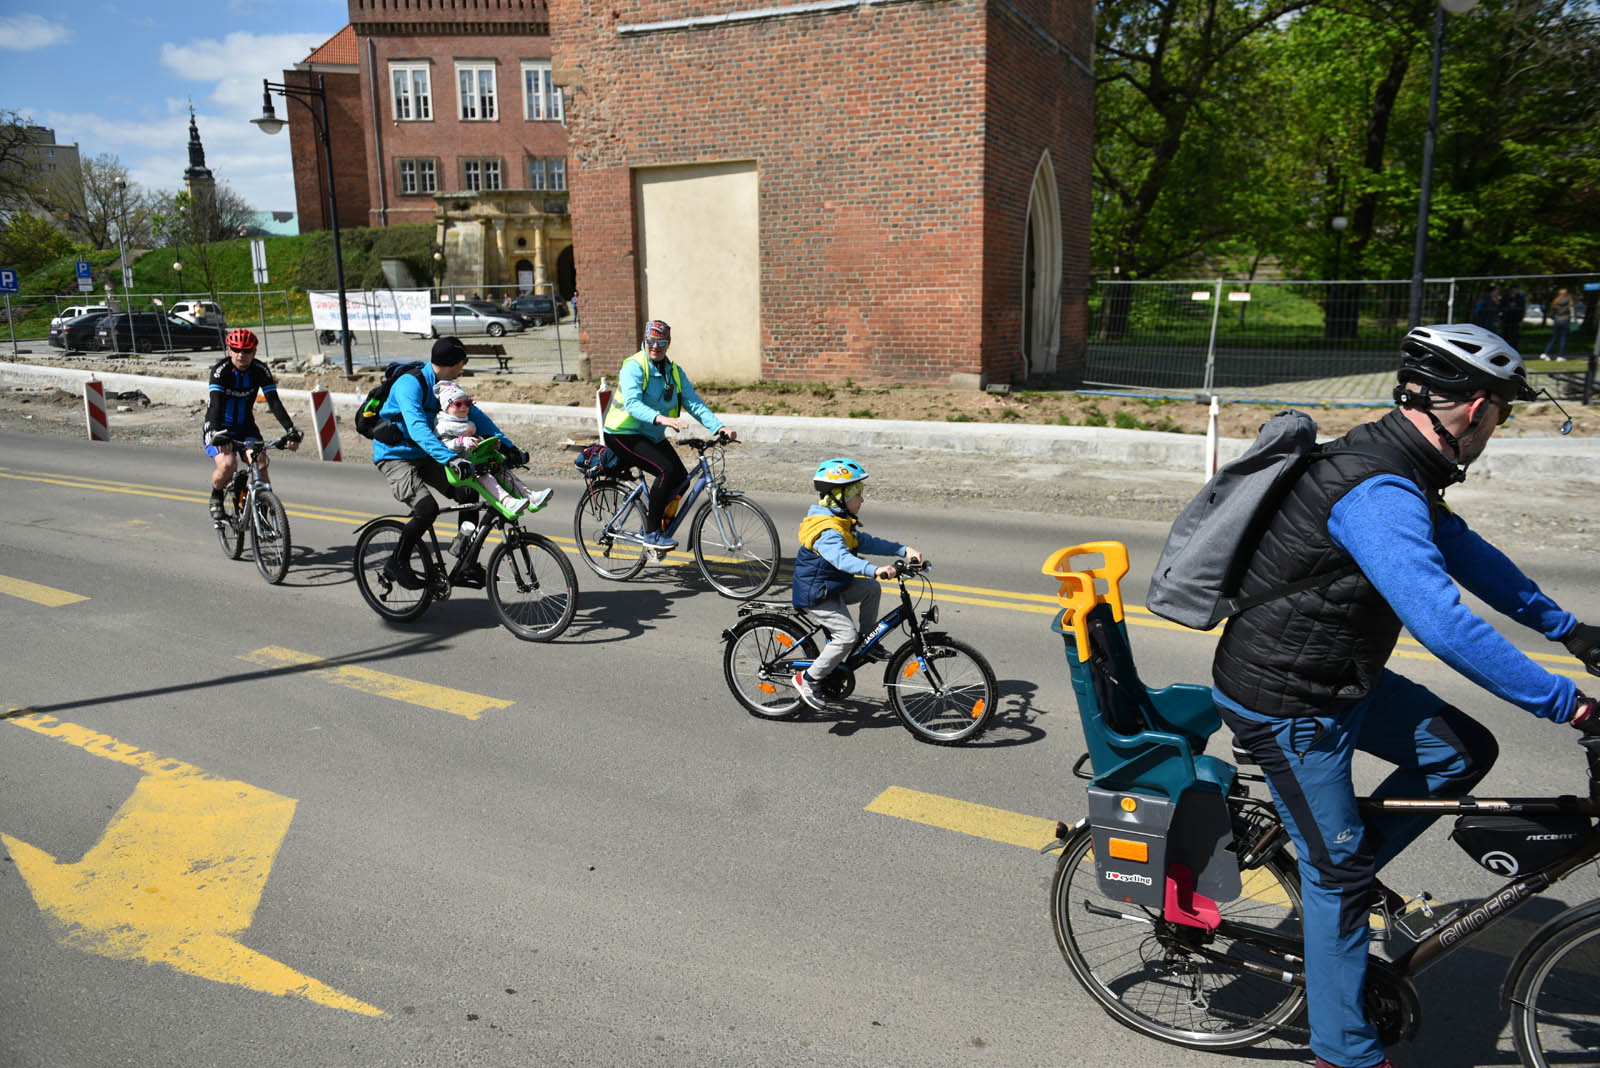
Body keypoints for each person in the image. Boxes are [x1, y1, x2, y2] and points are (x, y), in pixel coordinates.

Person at [1210, 323, 1600, 1068]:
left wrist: (1569, 629)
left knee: (1460, 751)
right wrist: (1573, 707)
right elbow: (1444, 625)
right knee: (1340, 873)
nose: (1499, 428)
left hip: (1336, 675)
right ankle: (1345, 1050)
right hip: (1287, 699)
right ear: (1477, 407)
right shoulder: (1379, 489)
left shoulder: (1400, 457)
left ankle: (1337, 867)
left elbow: (1467, 555)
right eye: (1505, 415)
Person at [372, 336, 532, 590]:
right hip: (396, 455)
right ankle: (397, 562)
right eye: (463, 363)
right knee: (426, 509)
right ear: (456, 363)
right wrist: (452, 459)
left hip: (428, 454)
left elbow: (478, 418)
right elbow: (417, 429)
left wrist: (510, 447)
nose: (463, 368)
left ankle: (465, 558)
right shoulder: (408, 385)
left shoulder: (446, 387)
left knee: (469, 494)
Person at [789, 458, 925, 711]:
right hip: (817, 594)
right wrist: (875, 570)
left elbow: (866, 542)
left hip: (834, 585)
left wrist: (903, 549)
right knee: (845, 636)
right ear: (838, 497)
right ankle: (807, 679)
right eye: (857, 494)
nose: (862, 500)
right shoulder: (826, 531)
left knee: (871, 589)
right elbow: (842, 559)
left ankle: (868, 641)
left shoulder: (841, 522)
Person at [601, 319, 737, 550]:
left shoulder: (673, 371)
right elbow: (632, 404)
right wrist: (662, 419)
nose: (656, 346)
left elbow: (693, 402)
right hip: (622, 433)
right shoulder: (634, 365)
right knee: (665, 470)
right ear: (645, 340)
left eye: (661, 342)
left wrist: (718, 427)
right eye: (651, 341)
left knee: (681, 479)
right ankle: (652, 533)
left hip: (650, 434)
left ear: (668, 343)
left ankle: (657, 522)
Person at [203, 327, 301, 519]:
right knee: (228, 465)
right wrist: (216, 432)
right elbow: (215, 405)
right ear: (229, 350)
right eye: (236, 350)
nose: (241, 355)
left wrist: (290, 429)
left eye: (247, 351)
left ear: (254, 352)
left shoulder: (260, 370)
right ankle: (216, 494)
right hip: (219, 425)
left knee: (261, 462)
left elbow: (273, 401)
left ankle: (263, 508)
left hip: (246, 426)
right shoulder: (221, 371)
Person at [433, 380, 551, 516]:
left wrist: (494, 444)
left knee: (502, 471)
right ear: (446, 407)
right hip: (462, 466)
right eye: (458, 404)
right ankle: (508, 502)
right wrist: (461, 441)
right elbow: (443, 446)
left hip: (478, 459)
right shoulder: (443, 426)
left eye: (467, 403)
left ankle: (530, 496)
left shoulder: (467, 422)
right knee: (487, 478)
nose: (463, 407)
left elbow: (478, 439)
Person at [1541, 287, 1575, 360]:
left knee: (1554, 338)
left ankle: (1546, 353)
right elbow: (1572, 311)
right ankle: (1560, 356)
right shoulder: (1569, 300)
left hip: (1557, 320)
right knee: (1563, 339)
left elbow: (1552, 312)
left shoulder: (1556, 301)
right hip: (1565, 320)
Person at [1499, 283, 1527, 349]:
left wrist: (1521, 319)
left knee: (1515, 336)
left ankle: (1514, 349)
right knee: (1506, 335)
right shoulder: (1505, 297)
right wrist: (1501, 318)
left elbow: (1522, 309)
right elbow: (1501, 308)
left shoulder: (1520, 298)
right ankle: (1505, 348)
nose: (1515, 291)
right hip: (1506, 320)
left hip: (1516, 320)